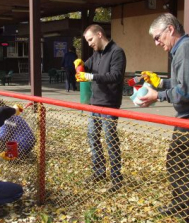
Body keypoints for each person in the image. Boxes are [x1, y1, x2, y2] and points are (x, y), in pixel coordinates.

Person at [139, 13, 189, 222]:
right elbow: (181, 82)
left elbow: (188, 92)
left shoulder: (185, 50)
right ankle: (182, 204)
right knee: (185, 163)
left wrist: (158, 95)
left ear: (170, 30)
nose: (156, 43)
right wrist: (160, 82)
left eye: (157, 37)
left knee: (180, 163)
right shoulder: (185, 48)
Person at [77, 24, 126, 193]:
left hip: (110, 104)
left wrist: (89, 76)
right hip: (94, 103)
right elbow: (87, 66)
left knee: (110, 141)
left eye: (90, 39)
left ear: (99, 34)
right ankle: (98, 172)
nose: (89, 43)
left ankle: (116, 178)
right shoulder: (96, 53)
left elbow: (116, 76)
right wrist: (79, 64)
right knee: (92, 136)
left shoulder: (117, 52)